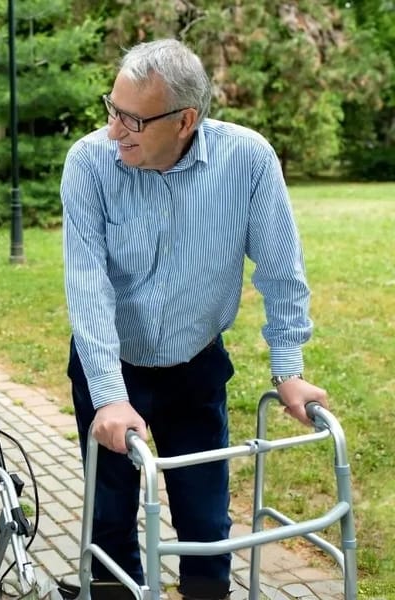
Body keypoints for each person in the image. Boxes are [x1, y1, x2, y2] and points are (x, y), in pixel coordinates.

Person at [60, 39, 329, 600]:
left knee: (206, 524)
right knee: (109, 518)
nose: (115, 129)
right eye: (112, 108)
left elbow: (281, 270)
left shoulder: (248, 159)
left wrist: (288, 370)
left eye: (132, 118)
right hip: (112, 365)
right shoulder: (89, 162)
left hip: (194, 364)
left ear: (185, 120)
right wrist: (109, 395)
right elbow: (88, 288)